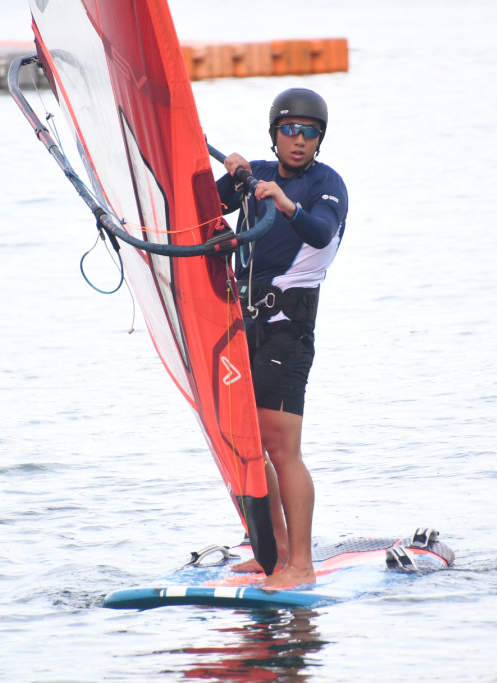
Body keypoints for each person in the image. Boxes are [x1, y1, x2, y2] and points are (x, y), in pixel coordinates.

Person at [215, 87, 348, 587]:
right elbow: (201, 205)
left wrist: (286, 204)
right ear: (274, 135)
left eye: (309, 133)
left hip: (289, 327)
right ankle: (273, 551)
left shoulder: (326, 185)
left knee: (280, 447)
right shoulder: (257, 174)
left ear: (319, 140)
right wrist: (232, 176)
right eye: (289, 130)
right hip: (241, 325)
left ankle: (302, 566)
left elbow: (319, 232)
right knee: (242, 443)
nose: (298, 140)